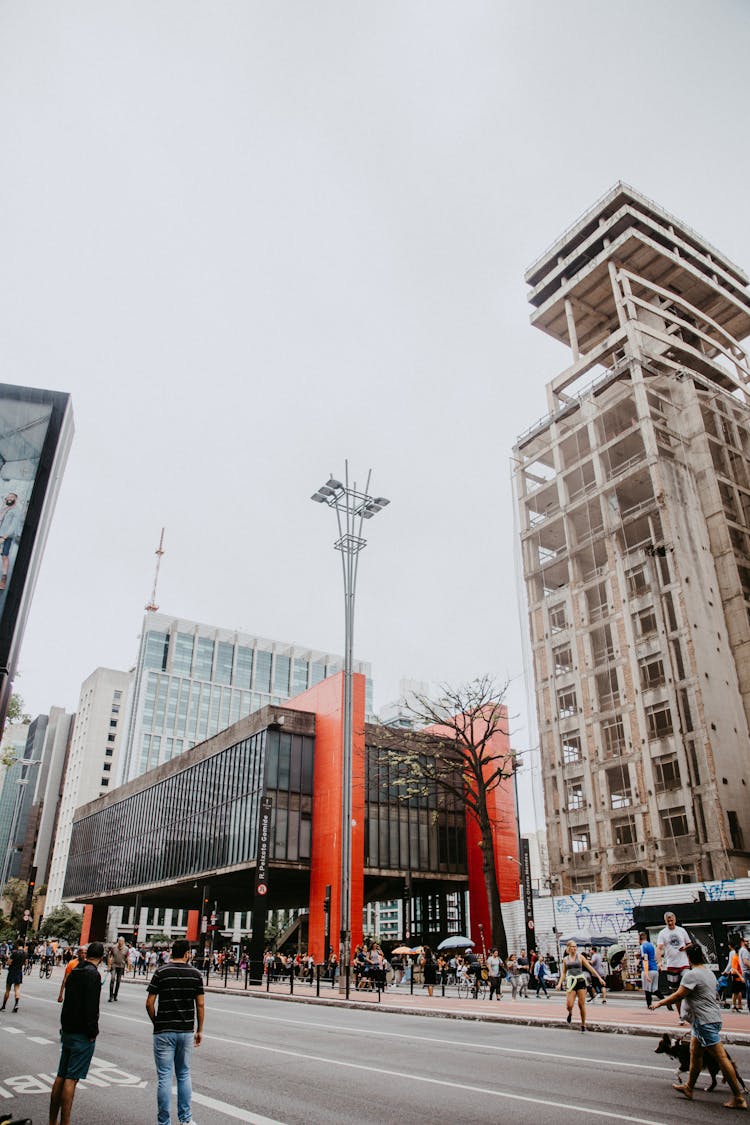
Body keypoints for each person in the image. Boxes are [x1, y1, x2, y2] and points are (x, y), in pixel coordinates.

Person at [651, 943, 747, 1110]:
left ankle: (738, 1097)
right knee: (695, 1055)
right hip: (706, 1020)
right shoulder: (709, 973)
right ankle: (689, 1087)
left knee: (722, 1058)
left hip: (705, 1022)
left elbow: (678, 995)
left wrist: (659, 1002)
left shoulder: (691, 975)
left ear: (688, 958)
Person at [146, 937, 204, 1125]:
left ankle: (164, 1122)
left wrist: (157, 1022)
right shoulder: (196, 974)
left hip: (164, 1030)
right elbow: (200, 1004)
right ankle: (186, 1119)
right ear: (188, 953)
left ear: (172, 952)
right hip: (186, 1030)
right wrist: (200, 1029)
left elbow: (149, 1003)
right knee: (184, 1074)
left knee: (164, 1076)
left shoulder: (161, 972)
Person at [48, 940, 105, 1125]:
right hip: (82, 1032)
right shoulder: (93, 975)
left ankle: (52, 1121)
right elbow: (91, 1006)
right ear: (102, 958)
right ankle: (65, 1122)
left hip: (68, 1028)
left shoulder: (75, 970)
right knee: (71, 1079)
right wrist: (93, 1031)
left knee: (61, 1075)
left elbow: (68, 1000)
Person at [556, 940, 605, 1033]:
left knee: (581, 1004)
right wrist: (559, 983)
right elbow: (563, 973)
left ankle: (583, 1024)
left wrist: (599, 978)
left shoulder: (581, 957)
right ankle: (570, 1013)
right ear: (568, 948)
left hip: (581, 982)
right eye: (572, 946)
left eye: (575, 946)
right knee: (569, 1005)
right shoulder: (565, 959)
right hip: (571, 982)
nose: (574, 948)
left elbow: (590, 968)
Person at [656, 911, 692, 1022]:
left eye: (672, 920)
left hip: (684, 964)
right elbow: (659, 948)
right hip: (672, 965)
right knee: (675, 992)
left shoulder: (681, 930)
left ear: (675, 920)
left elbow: (690, 944)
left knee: (688, 987)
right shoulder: (663, 933)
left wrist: (685, 948)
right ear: (665, 921)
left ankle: (690, 1011)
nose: (670, 923)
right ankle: (681, 1015)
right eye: (668, 921)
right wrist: (660, 961)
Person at [0, 492, 22, 592]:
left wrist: (4, 537)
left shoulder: (16, 511)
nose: (9, 498)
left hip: (6, 536)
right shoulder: (4, 509)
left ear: (15, 499)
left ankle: (3, 579)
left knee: (4, 556)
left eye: (11, 497)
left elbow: (13, 526)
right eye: (8, 497)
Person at [1, 940, 26, 1012]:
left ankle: (3, 1006)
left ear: (17, 944)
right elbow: (25, 963)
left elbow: (9, 963)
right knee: (17, 989)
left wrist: (7, 960)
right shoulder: (25, 953)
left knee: (8, 989)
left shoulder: (14, 952)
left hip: (12, 971)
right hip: (19, 971)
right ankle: (16, 1004)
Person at [639, 930, 660, 1009]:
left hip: (648, 969)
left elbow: (645, 959)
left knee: (647, 989)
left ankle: (649, 1004)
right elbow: (653, 957)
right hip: (654, 968)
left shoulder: (643, 946)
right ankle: (665, 1001)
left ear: (640, 938)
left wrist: (646, 973)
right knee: (655, 989)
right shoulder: (651, 945)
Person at [107, 936, 128, 1002]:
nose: (120, 942)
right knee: (112, 979)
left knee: (118, 981)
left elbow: (127, 958)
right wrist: (109, 965)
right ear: (118, 941)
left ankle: (115, 995)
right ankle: (111, 996)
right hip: (114, 965)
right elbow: (109, 956)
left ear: (124, 942)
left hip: (121, 966)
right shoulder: (113, 947)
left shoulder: (126, 949)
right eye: (119, 941)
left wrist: (128, 967)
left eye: (121, 941)